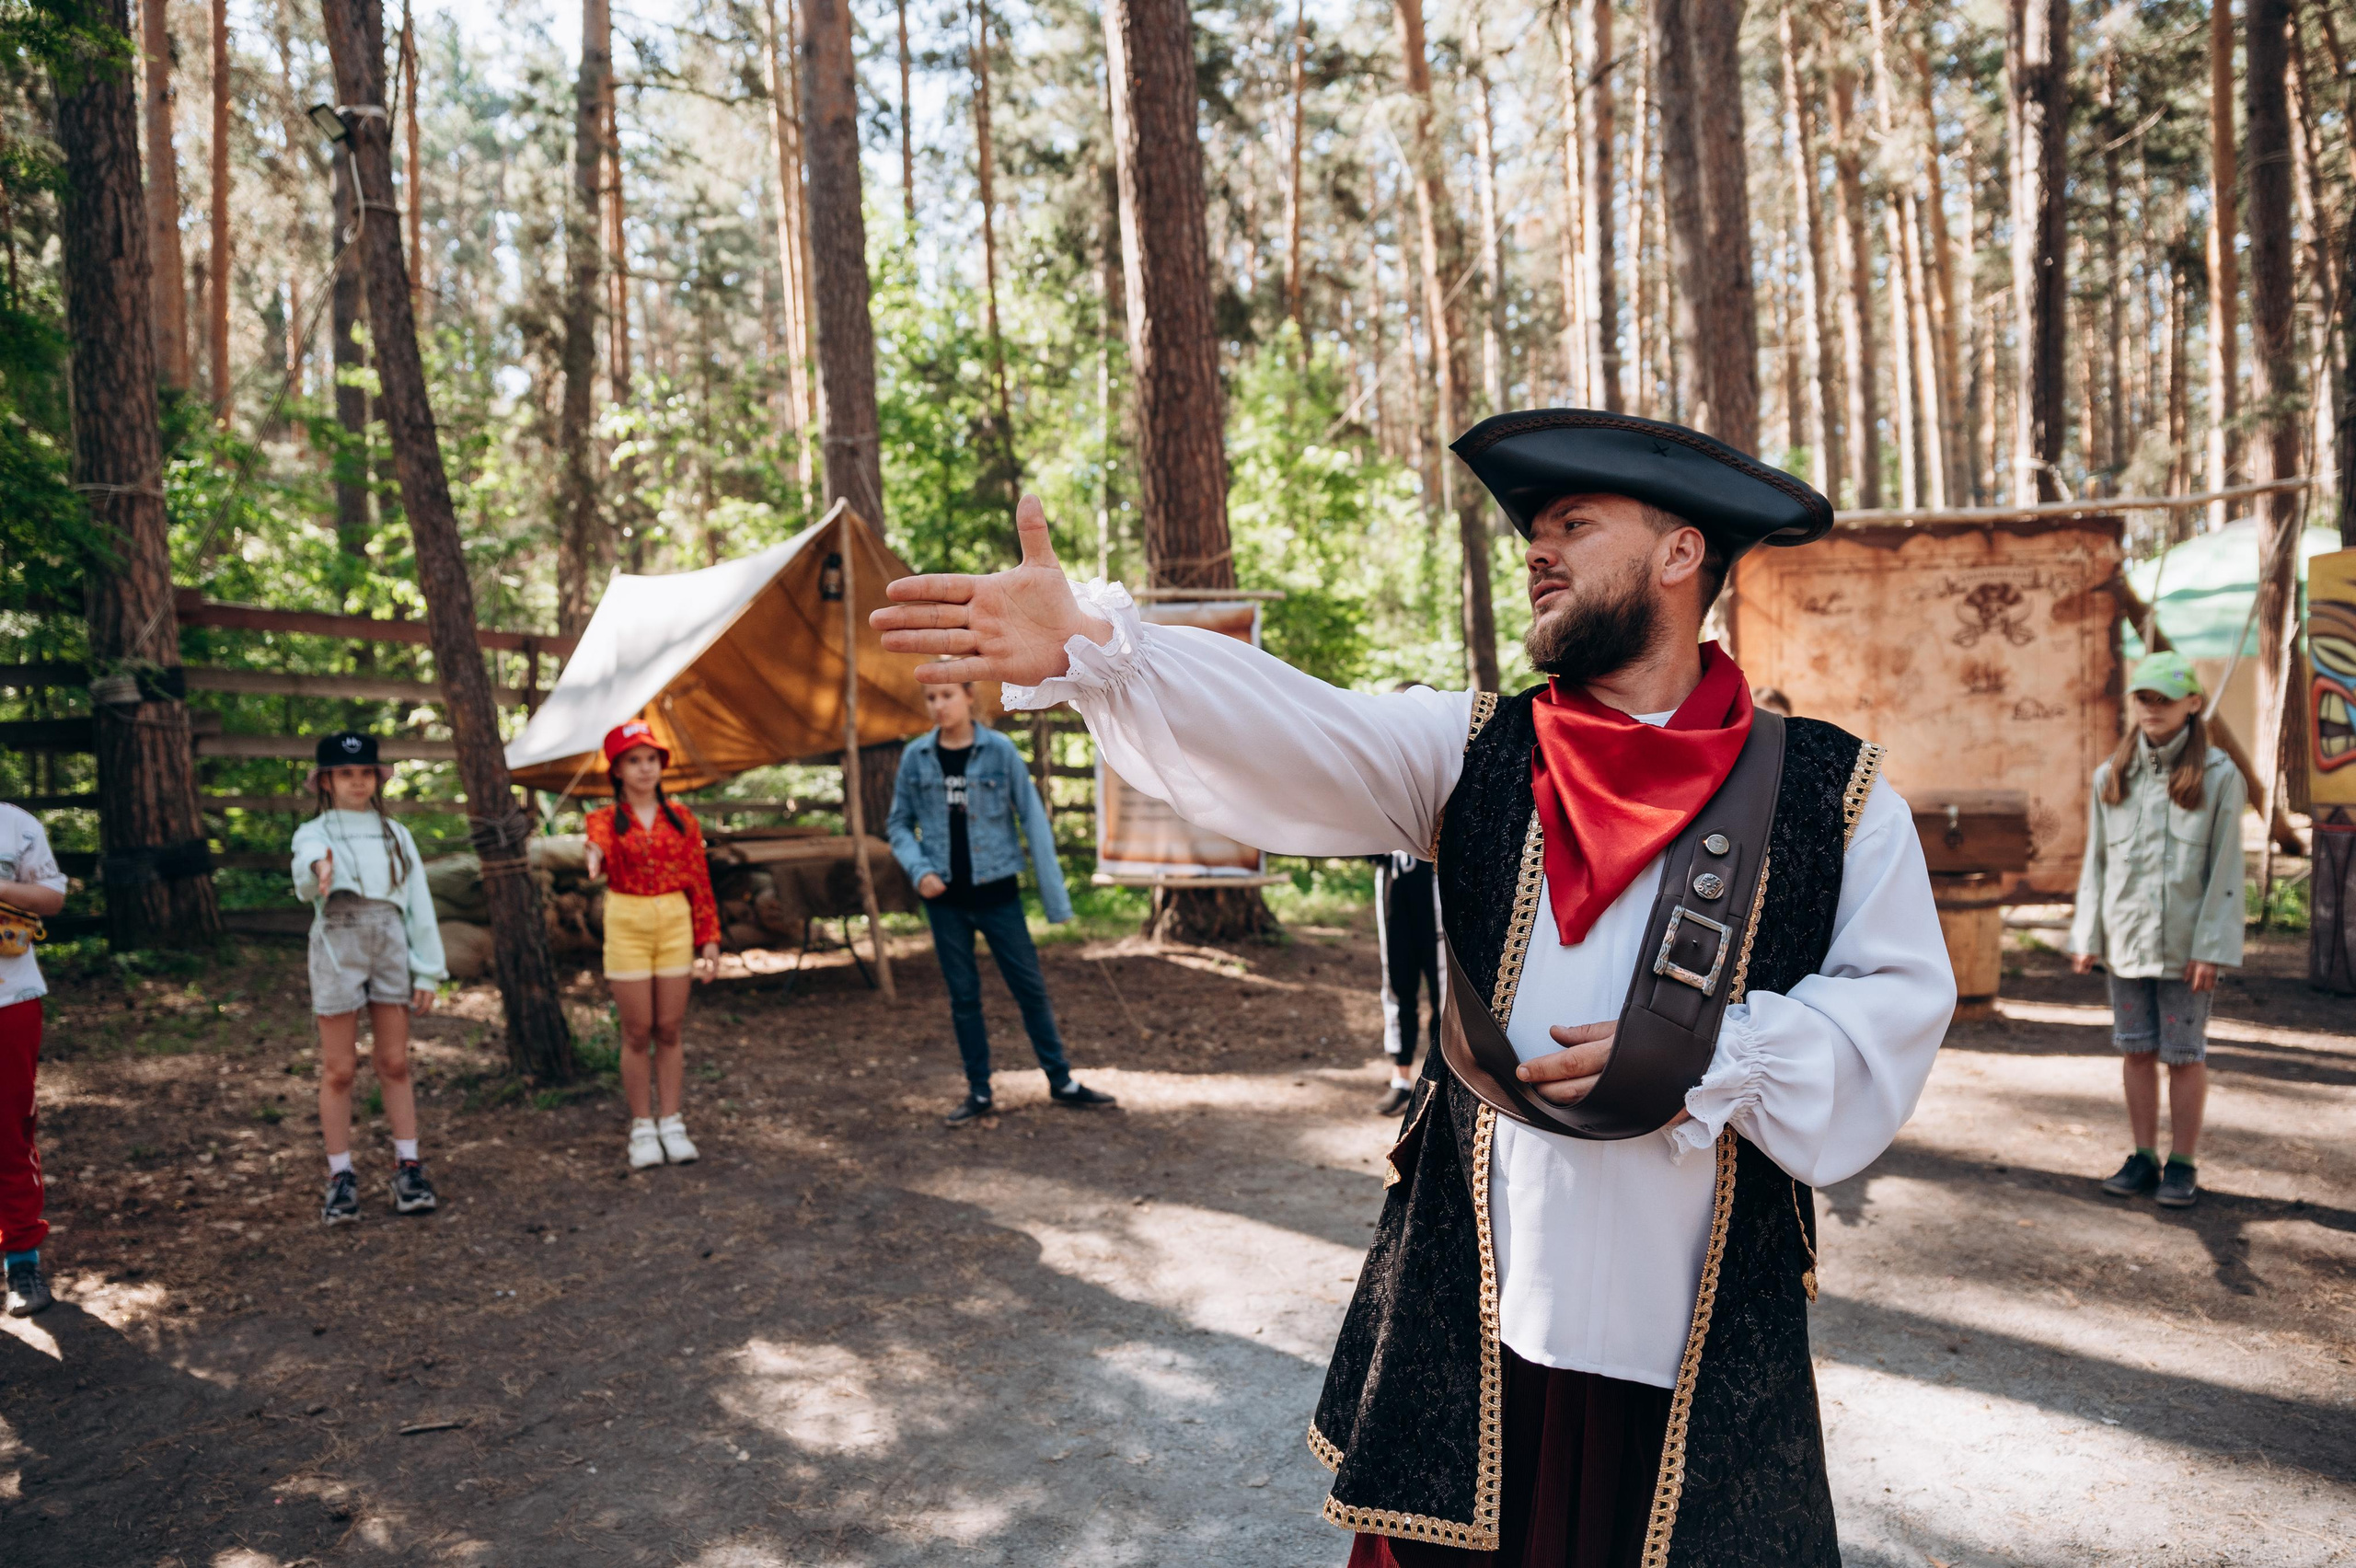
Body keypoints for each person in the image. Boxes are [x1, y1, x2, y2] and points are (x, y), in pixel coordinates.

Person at [876, 409, 1954, 1568]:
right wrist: (1099, 647)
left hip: (1697, 1310)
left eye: (1573, 527)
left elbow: (1895, 1001)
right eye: (1533, 532)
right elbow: (1295, 730)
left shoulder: (1837, 793)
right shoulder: (1465, 747)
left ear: (1680, 554)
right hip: (1485, 1298)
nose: (1535, 553)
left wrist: (1715, 1052)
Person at [886, 680, 1114, 1125]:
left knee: (1030, 989)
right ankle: (979, 1091)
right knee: (964, 997)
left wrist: (1056, 902)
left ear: (969, 696)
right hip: (945, 900)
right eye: (931, 698)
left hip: (998, 894)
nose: (939, 705)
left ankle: (1061, 1080)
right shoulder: (916, 757)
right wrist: (920, 870)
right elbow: (898, 824)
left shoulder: (1000, 752)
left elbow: (1032, 819)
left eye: (948, 695)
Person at [2069, 651, 2245, 1211]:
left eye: (2164, 698)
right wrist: (2087, 935)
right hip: (2125, 945)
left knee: (2185, 1055)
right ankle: (2143, 1155)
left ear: (2193, 704)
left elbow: (2226, 870)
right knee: (2136, 1050)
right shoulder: (2110, 776)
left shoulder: (2218, 778)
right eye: (2143, 697)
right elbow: (2096, 863)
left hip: (2185, 951)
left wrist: (2212, 948)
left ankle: (2183, 1163)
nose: (2151, 708)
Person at [293, 732, 446, 1224]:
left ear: (377, 778)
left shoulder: (397, 834)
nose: (356, 782)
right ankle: (340, 1175)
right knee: (339, 1068)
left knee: (395, 1061)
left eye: (364, 773)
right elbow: (307, 865)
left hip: (389, 944)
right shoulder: (313, 832)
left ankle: (409, 1165)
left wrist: (428, 967)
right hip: (337, 946)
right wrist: (320, 869)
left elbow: (418, 901)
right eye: (345, 773)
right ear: (326, 781)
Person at [583, 721, 722, 1170]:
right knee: (637, 1030)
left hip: (675, 919)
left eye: (650, 759)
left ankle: (672, 1120)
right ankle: (642, 1125)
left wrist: (710, 939)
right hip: (628, 918)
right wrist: (593, 855)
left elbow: (699, 880)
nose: (644, 769)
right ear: (617, 770)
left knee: (670, 1027)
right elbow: (598, 844)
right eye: (633, 760)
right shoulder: (603, 819)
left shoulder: (682, 818)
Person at [0, 801, 69, 1317]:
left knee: (10, 1131)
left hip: (10, 999)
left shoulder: (15, 824)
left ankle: (22, 1261)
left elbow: (52, 895)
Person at [1370, 851, 1442, 1116]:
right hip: (1395, 880)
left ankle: (1443, 1083)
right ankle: (1400, 1081)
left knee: (1444, 987)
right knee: (1397, 980)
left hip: (1437, 876)